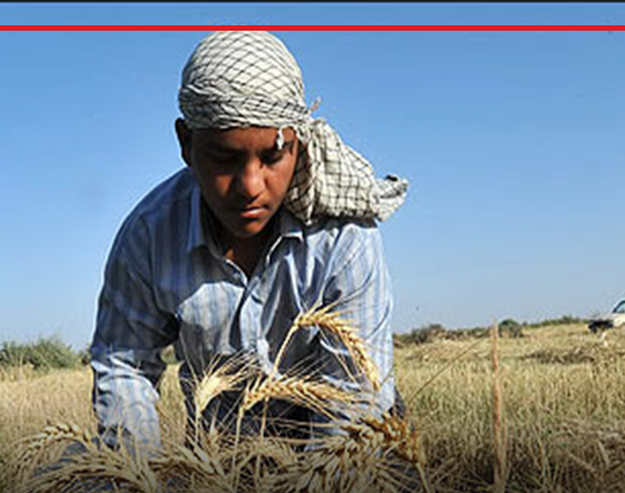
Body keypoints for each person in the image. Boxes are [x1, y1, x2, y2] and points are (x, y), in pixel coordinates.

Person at [89, 30, 408, 454]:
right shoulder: (148, 237)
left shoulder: (344, 240)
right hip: (219, 465)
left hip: (340, 459)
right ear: (186, 144)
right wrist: (143, 492)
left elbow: (354, 405)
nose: (250, 186)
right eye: (224, 158)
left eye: (273, 157)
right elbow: (123, 365)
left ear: (298, 144)